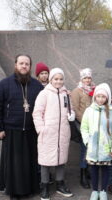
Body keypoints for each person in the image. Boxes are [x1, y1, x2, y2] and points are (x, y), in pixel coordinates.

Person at [0, 54, 43, 199]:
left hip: (31, 131)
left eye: (27, 64)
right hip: (11, 131)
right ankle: (14, 192)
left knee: (29, 162)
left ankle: (28, 189)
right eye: (21, 63)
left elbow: (43, 107)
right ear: (16, 65)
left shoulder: (37, 85)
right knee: (14, 164)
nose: (24, 66)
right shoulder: (4, 84)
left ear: (30, 67)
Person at [33, 68, 75, 200]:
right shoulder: (44, 94)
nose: (58, 81)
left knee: (61, 160)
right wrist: (41, 129)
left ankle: (60, 184)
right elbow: (37, 113)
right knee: (45, 161)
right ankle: (44, 186)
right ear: (51, 80)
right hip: (48, 133)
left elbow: (70, 108)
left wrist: (71, 114)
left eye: (61, 79)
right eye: (56, 79)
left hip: (62, 132)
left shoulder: (66, 94)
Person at [81, 83, 112, 200]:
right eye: (98, 96)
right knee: (93, 169)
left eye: (103, 97)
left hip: (106, 147)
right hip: (92, 147)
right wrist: (87, 141)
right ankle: (94, 191)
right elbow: (84, 127)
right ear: (95, 97)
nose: (100, 99)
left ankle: (103, 190)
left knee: (105, 169)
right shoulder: (89, 110)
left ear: (107, 98)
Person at [71, 68, 95, 189]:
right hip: (83, 125)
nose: (87, 80)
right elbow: (75, 109)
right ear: (81, 79)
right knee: (84, 150)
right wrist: (85, 123)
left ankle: (88, 172)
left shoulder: (93, 90)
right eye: (85, 78)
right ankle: (82, 176)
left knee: (91, 150)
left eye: (89, 78)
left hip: (93, 125)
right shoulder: (77, 91)